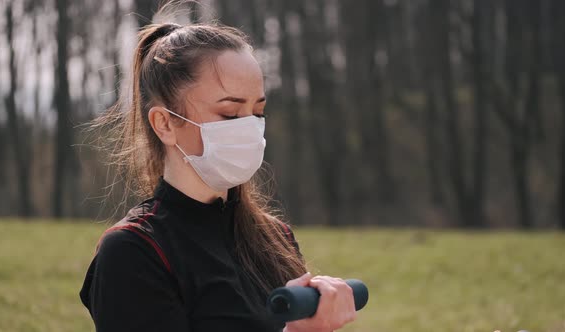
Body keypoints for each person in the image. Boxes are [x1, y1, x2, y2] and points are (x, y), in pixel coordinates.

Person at [79, 17, 357, 332]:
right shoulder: (133, 252)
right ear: (165, 124)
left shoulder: (275, 237)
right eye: (229, 113)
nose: (250, 128)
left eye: (257, 112)